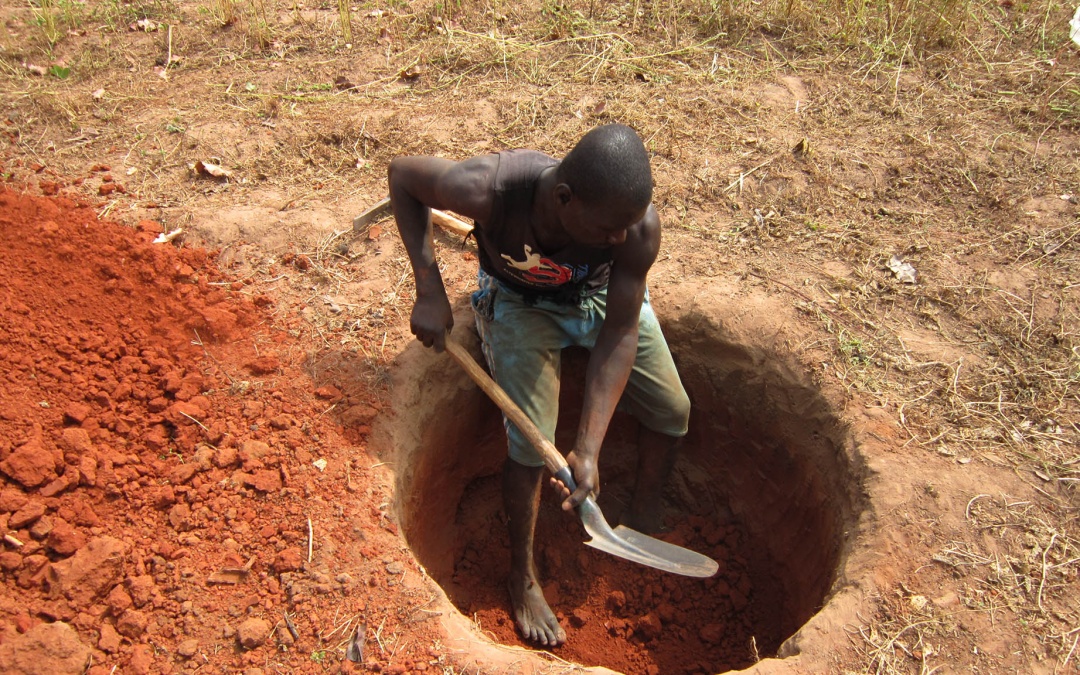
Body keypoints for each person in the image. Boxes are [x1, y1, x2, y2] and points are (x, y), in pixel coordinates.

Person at [388, 124, 691, 647]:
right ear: (564, 198)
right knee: (530, 445)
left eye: (627, 227)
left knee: (672, 409)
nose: (621, 239)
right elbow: (402, 176)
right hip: (519, 301)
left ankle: (644, 514)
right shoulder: (488, 189)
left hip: (599, 304)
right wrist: (429, 289)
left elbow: (619, 330)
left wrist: (590, 450)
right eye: (609, 230)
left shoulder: (636, 229)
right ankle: (522, 577)